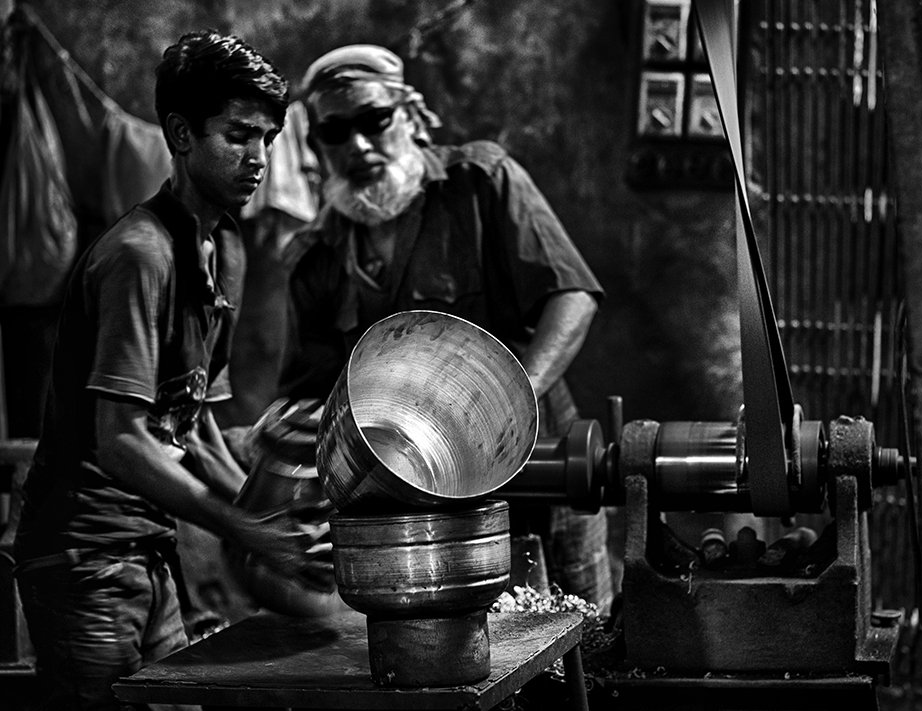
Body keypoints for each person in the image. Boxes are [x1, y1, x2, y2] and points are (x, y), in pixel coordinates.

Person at [13, 30, 334, 710]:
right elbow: (123, 441)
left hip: (149, 548)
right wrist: (244, 528)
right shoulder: (140, 255)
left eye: (268, 138)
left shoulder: (223, 248)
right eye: (238, 136)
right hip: (84, 557)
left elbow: (196, 424)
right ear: (182, 134)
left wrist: (272, 516)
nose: (259, 158)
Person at [280, 44, 613, 611]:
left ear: (410, 115)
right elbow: (310, 395)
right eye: (335, 132)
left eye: (374, 120)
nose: (358, 145)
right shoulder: (314, 259)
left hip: (537, 473)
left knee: (574, 635)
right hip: (421, 511)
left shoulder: (480, 182)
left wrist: (505, 404)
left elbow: (572, 296)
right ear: (316, 146)